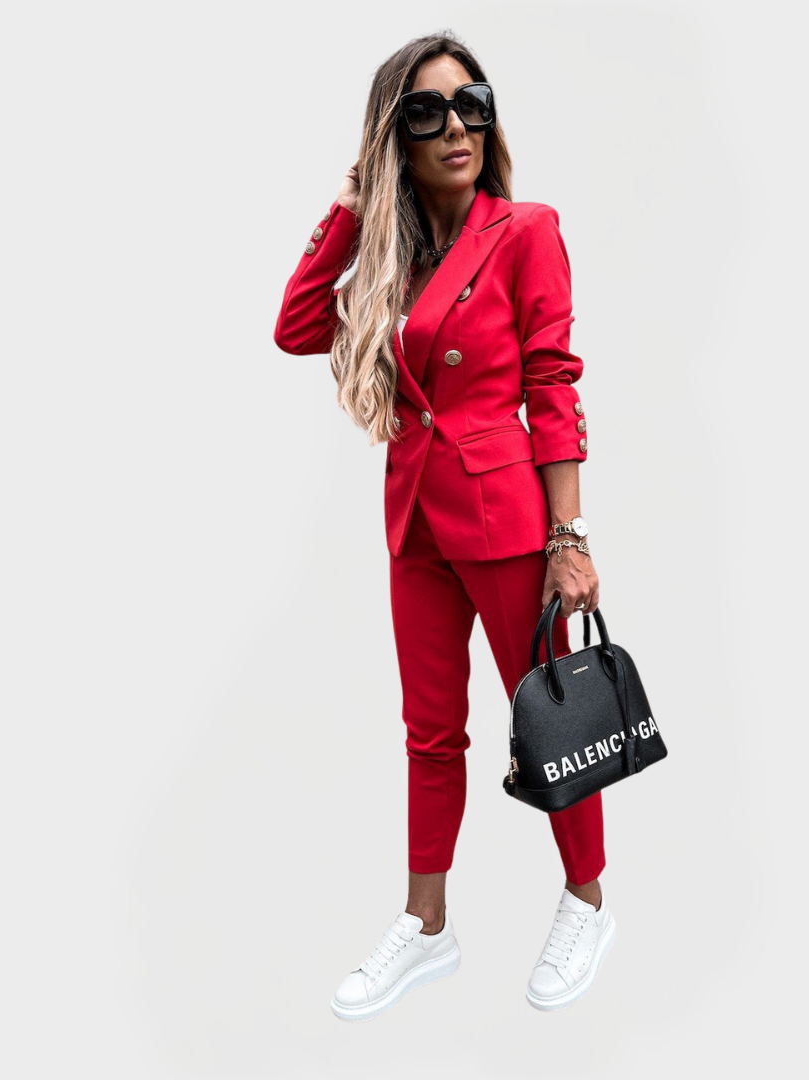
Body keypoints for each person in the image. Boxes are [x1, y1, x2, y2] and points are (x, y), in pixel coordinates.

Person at [274, 32, 616, 1020]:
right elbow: (297, 326)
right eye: (427, 111)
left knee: (552, 717)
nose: (457, 125)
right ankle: (427, 926)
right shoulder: (394, 259)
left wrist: (569, 539)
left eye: (473, 102)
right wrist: (351, 210)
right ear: (396, 138)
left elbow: (552, 384)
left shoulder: (525, 230)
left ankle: (587, 901)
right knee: (430, 735)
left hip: (506, 516)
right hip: (415, 518)